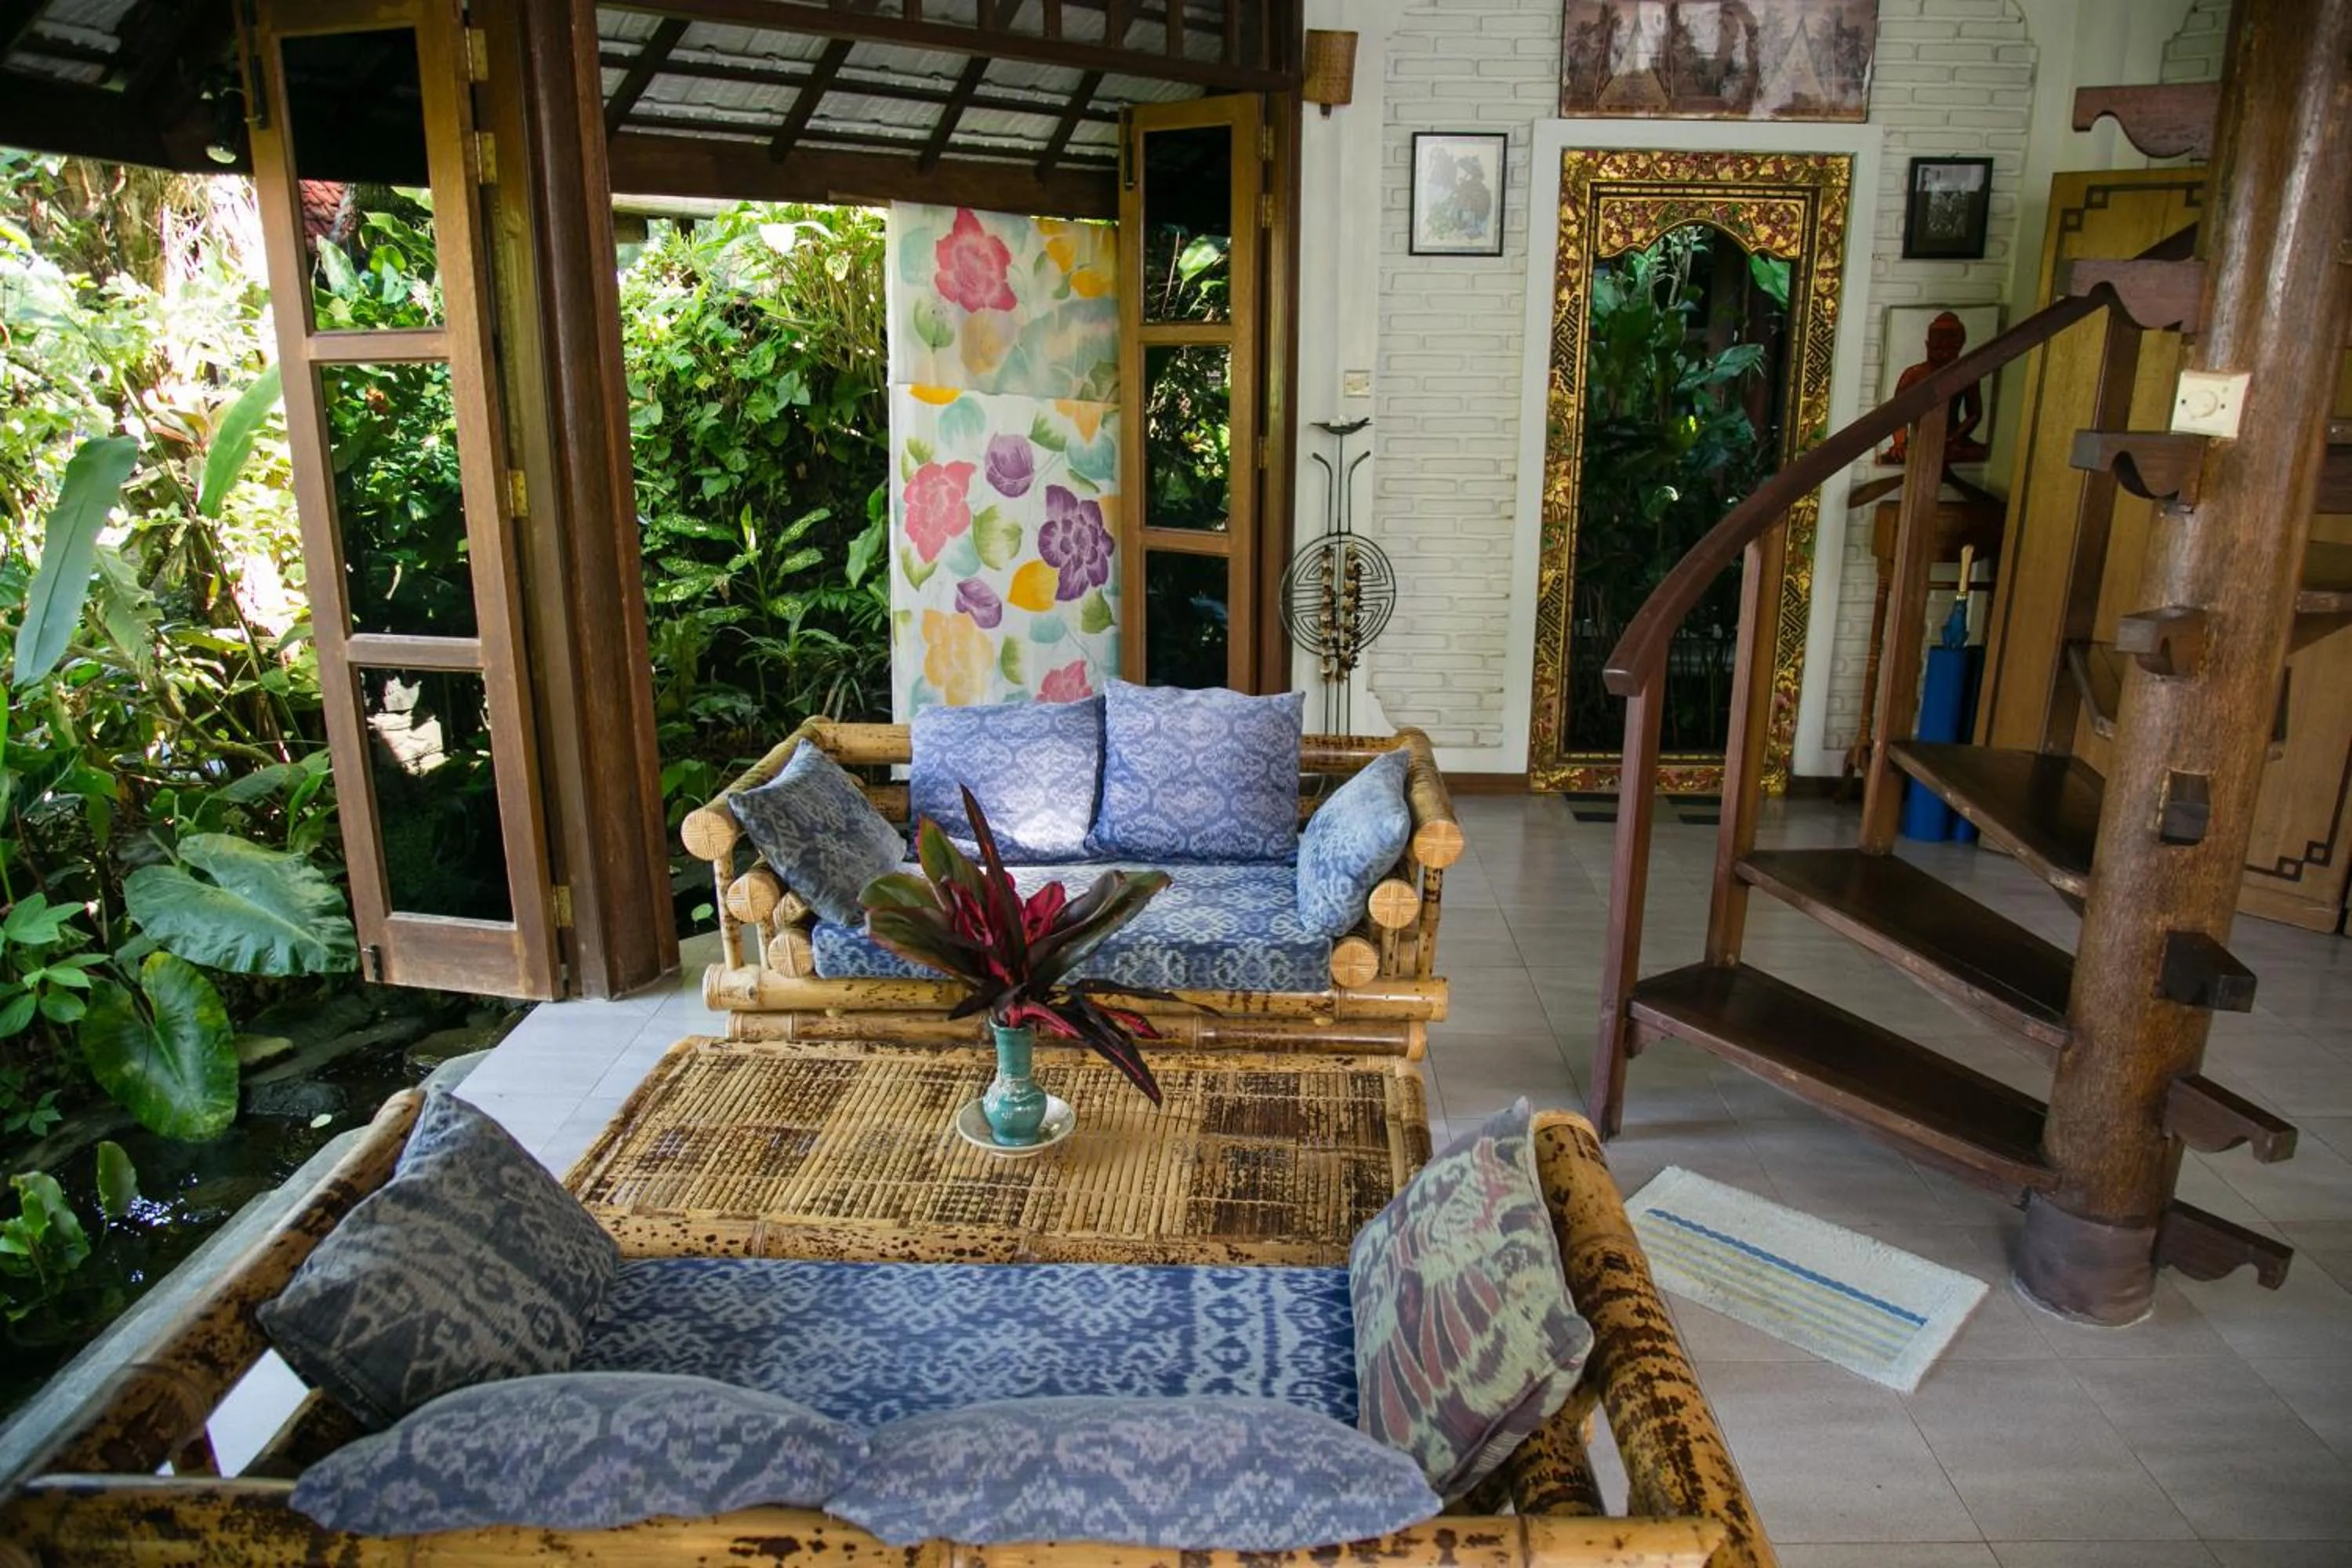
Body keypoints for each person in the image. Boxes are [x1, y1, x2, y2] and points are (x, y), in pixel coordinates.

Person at [1883, 310, 1988, 463]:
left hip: (1954, 440)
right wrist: (1899, 442)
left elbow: (1974, 414)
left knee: (1981, 453)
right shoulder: (1914, 374)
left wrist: (1953, 438)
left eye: (1951, 348)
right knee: (1897, 457)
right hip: (1919, 438)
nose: (1944, 353)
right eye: (1938, 347)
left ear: (1959, 346)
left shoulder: (1966, 373)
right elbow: (1897, 412)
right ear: (1928, 345)